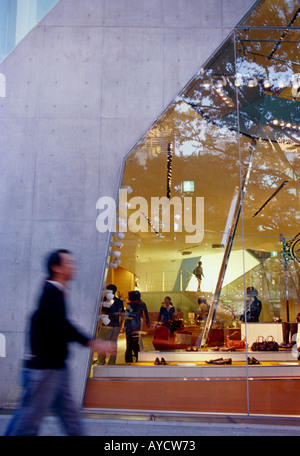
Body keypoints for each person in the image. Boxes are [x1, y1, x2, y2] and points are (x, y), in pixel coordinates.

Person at [5, 249, 111, 436]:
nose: (73, 267)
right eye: (68, 263)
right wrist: (92, 343)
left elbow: (42, 322)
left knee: (69, 417)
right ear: (56, 268)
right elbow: (61, 325)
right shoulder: (51, 293)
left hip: (56, 368)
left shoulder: (54, 292)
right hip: (45, 370)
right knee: (29, 422)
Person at [97, 284, 124, 365]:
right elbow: (122, 315)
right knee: (113, 345)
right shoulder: (119, 301)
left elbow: (101, 312)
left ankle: (101, 362)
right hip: (116, 326)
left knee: (102, 344)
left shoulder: (105, 300)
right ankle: (111, 363)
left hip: (106, 326)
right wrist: (120, 325)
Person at [124, 290, 149, 363]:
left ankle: (129, 359)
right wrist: (147, 322)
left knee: (129, 342)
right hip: (137, 323)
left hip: (130, 324)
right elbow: (146, 313)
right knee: (136, 341)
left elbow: (126, 316)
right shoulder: (142, 303)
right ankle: (138, 357)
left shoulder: (129, 305)